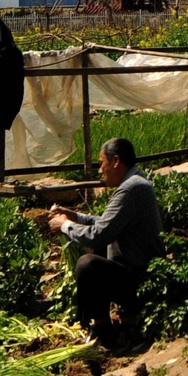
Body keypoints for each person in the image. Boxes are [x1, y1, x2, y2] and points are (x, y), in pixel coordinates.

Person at [43, 137, 164, 348]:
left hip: (141, 281)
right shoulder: (135, 183)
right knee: (97, 251)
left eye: (101, 164)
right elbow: (107, 223)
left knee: (87, 265)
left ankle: (104, 330)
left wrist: (64, 225)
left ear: (115, 161)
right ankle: (102, 319)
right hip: (138, 272)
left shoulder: (131, 189)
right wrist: (75, 217)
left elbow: (99, 235)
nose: (100, 170)